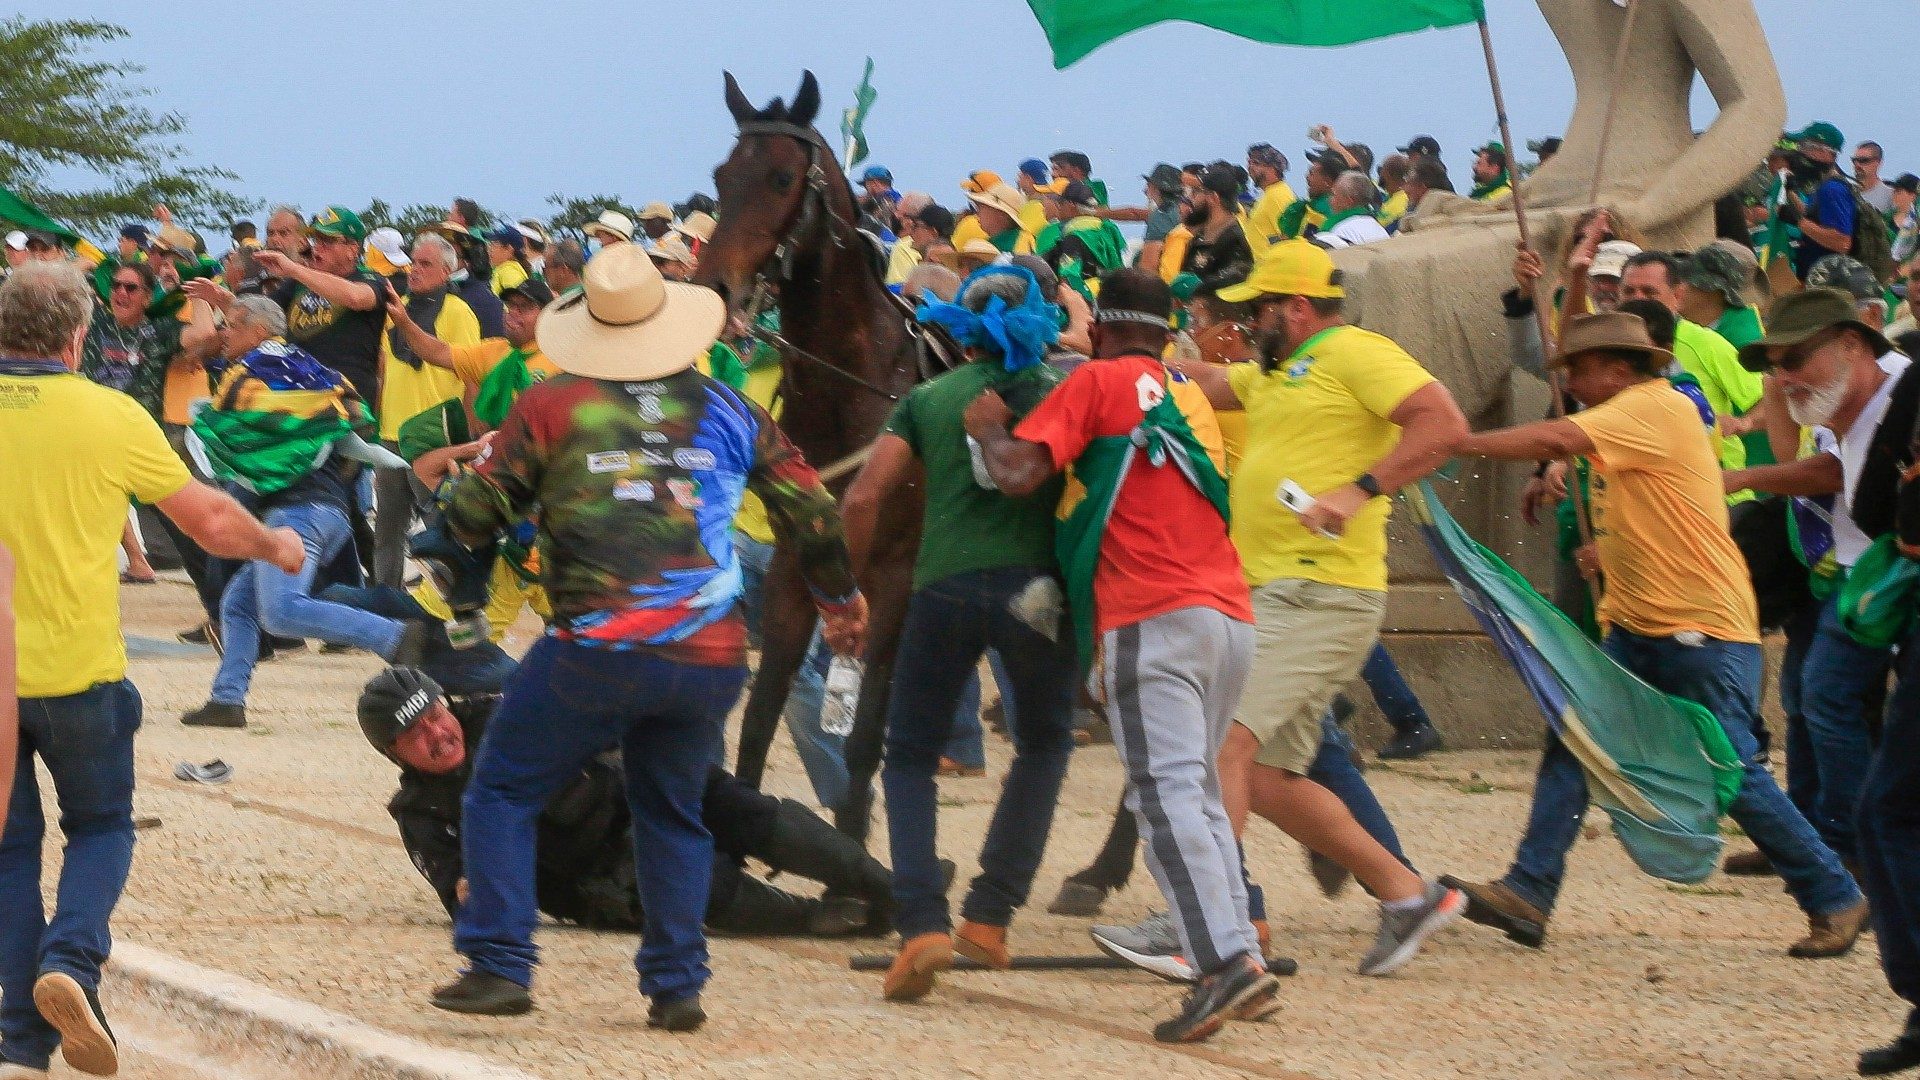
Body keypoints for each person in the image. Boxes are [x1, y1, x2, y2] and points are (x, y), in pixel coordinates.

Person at [428, 243, 867, 1031]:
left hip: (597, 649)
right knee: (673, 811)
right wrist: (840, 598)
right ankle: (675, 985)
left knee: (501, 789)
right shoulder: (733, 410)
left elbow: (474, 517)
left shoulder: (550, 406)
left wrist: (462, 493)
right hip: (708, 654)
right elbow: (813, 513)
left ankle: (499, 962)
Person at [1444, 309, 1868, 958]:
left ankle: (1834, 896)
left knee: (1731, 771)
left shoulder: (1654, 407)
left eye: (1581, 370)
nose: (1575, 383)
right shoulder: (1633, 417)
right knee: (1576, 739)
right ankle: (1530, 889)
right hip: (1645, 623)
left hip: (1698, 627)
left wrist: (1454, 442)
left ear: (1619, 368)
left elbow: (1556, 439)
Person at [0, 262, 306, 1078]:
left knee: (6, 852)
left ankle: (20, 1043)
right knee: (100, 827)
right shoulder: (108, 415)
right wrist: (279, 545)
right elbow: (209, 523)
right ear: (75, 337)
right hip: (80, 671)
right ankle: (70, 961)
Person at [964, 269, 1279, 1043]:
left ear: (1099, 333)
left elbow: (1018, 474)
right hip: (1228, 613)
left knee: (1164, 798)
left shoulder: (1099, 381)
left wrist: (985, 427)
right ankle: (1237, 949)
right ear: (1167, 334)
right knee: (1200, 794)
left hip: (1149, 614)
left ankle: (1222, 967)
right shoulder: (1189, 394)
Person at [1172, 240, 1469, 979]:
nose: (1247, 325)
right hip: (1276, 592)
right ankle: (1407, 896)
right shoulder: (1278, 374)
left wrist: (1361, 490)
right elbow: (1206, 378)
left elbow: (1443, 423)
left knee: (1222, 747)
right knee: (1268, 778)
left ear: (1295, 309)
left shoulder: (1357, 352)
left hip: (1320, 590)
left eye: (1259, 312)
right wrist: (1119, 350)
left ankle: (1214, 932)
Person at [840, 265, 1078, 1006]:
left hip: (941, 588)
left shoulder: (926, 398)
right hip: (1035, 590)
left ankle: (920, 924)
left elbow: (862, 496)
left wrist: (847, 593)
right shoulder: (1058, 392)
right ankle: (991, 916)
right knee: (1041, 746)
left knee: (908, 757)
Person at [356, 665, 897, 936]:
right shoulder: (423, 813)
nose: (438, 732)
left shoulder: (505, 710)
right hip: (602, 873)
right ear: (393, 752)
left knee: (744, 809)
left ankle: (892, 889)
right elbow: (463, 900)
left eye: (436, 715)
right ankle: (820, 918)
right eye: (417, 734)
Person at [178, 296, 442, 729]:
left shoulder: (243, 377)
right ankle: (227, 700)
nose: (223, 334)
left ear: (258, 331)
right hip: (329, 512)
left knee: (282, 611)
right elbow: (356, 415)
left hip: (297, 516)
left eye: (231, 326)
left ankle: (396, 637)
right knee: (240, 605)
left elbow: (228, 441)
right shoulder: (314, 368)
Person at [1721, 288, 1910, 881]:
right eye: (1776, 363)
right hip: (1847, 567)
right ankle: (1818, 839)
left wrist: (1737, 478)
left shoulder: (1904, 390)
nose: (1785, 374)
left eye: (1796, 357)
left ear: (1853, 343)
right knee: (1813, 694)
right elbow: (1795, 451)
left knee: (1825, 694)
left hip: (1886, 571)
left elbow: (1825, 475)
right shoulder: (1843, 395)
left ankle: (1848, 846)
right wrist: (1783, 385)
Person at [372, 234, 479, 589]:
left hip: (432, 435)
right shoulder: (397, 305)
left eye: (425, 264)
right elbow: (384, 368)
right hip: (391, 434)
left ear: (447, 271)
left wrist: (469, 435)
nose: (415, 270)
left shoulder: (458, 311)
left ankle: (458, 597)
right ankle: (386, 602)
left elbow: (468, 372)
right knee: (388, 529)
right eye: (413, 263)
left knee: (439, 526)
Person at [1618, 250, 1763, 479]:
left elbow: (1768, 399)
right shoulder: (1610, 348)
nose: (1638, 299)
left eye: (1649, 292)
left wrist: (1742, 422)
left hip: (1717, 495)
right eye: (1629, 291)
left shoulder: (1705, 343)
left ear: (1678, 295)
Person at [1785, 122, 1860, 281]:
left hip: (1826, 286)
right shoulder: (1823, 187)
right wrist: (1790, 192)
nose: (1800, 152)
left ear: (1827, 153)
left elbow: (1842, 242)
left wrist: (1799, 222)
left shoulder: (1833, 190)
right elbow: (1817, 217)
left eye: (1805, 146)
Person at [1179, 167, 1252, 296]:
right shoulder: (1198, 240)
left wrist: (1196, 289)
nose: (1191, 199)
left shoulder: (1235, 243)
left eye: (1196, 192)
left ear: (1214, 198)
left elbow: (1232, 292)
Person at [1241, 144, 1296, 257]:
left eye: (1256, 163)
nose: (1249, 167)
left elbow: (1288, 237)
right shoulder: (1268, 194)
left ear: (1273, 168)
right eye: (1249, 162)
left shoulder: (1279, 195)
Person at [1315, 173, 1391, 249]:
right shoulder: (1380, 229)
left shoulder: (1337, 230)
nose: (1330, 200)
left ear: (1348, 201)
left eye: (1334, 195)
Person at [484, 228, 531, 296]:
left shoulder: (509, 272)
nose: (489, 248)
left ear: (509, 249)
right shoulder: (503, 269)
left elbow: (517, 303)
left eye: (494, 244)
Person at [1854, 141, 1894, 217]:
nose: (1857, 165)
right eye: (1854, 160)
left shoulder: (1890, 195)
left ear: (1878, 163)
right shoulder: (1846, 193)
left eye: (1863, 160)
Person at [1376, 154, 1411, 230]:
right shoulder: (1390, 197)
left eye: (1382, 170)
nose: (1379, 174)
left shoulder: (1401, 203)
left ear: (1387, 174)